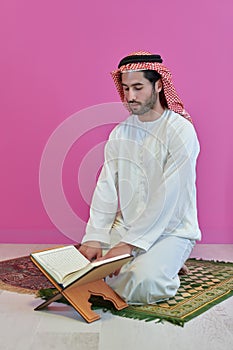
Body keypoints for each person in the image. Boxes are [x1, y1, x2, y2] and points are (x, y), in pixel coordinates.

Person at [79, 51, 201, 304]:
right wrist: (95, 236)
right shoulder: (121, 132)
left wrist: (129, 246)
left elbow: (169, 196)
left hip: (172, 230)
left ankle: (164, 262)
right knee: (83, 271)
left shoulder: (181, 131)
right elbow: (107, 187)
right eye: (125, 88)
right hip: (127, 226)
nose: (130, 97)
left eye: (138, 87)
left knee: (144, 284)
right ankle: (160, 262)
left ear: (158, 85)